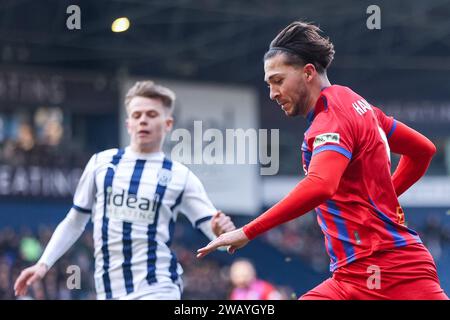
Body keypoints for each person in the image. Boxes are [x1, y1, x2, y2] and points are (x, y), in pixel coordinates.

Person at [197, 21, 449, 300]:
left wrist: (248, 231)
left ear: (308, 73)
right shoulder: (358, 104)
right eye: (268, 85)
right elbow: (423, 150)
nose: (272, 93)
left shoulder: (330, 121)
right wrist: (382, 200)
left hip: (392, 271)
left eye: (278, 81)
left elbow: (321, 184)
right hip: (352, 276)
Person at [14, 80, 236, 300]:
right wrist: (43, 264)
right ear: (128, 123)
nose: (143, 121)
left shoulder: (180, 176)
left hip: (158, 288)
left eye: (151, 114)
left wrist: (221, 233)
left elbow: (217, 233)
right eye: (137, 115)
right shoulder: (101, 163)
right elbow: (74, 222)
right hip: (108, 292)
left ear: (168, 123)